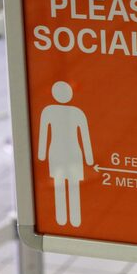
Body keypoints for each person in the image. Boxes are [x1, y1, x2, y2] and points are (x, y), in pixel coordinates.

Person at [38, 81, 94, 228]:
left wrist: (42, 154)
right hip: (70, 150)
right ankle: (72, 218)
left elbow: (44, 135)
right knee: (69, 185)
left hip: (57, 150)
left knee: (61, 184)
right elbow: (85, 137)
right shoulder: (76, 112)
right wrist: (89, 158)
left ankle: (63, 218)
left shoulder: (49, 111)